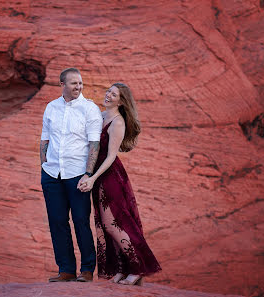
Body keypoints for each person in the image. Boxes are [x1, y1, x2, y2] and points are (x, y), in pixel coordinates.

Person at [78, 83, 162, 285]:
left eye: (113, 94)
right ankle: (122, 269)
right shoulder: (101, 115)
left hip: (109, 176)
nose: (108, 95)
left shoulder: (117, 122)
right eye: (108, 91)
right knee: (107, 226)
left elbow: (110, 157)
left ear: (121, 101)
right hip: (98, 176)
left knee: (114, 223)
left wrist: (92, 177)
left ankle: (138, 267)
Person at [40, 68, 103, 282]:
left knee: (80, 221)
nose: (78, 87)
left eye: (80, 83)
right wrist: (44, 167)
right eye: (74, 83)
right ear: (62, 84)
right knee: (57, 221)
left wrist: (88, 174)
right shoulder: (51, 107)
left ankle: (86, 270)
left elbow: (94, 143)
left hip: (77, 174)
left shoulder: (89, 109)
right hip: (52, 174)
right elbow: (44, 139)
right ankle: (65, 270)